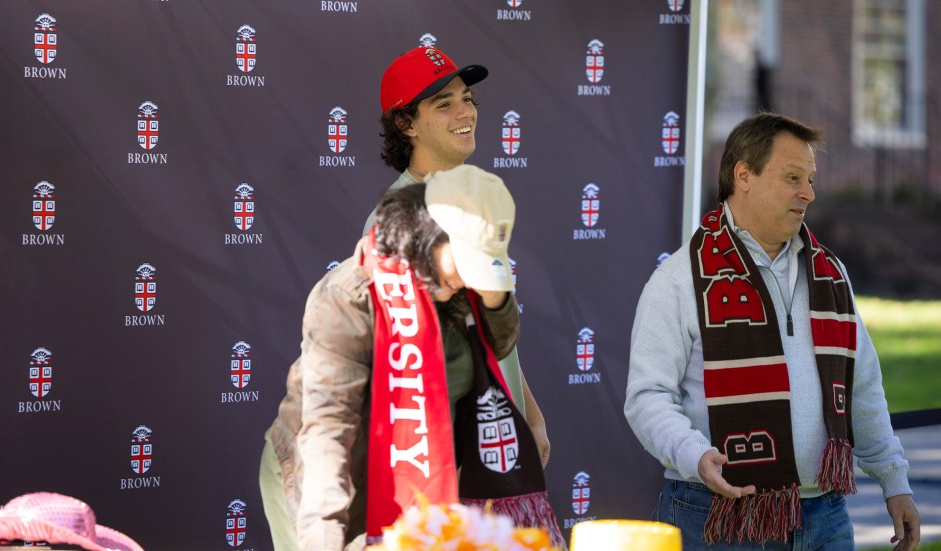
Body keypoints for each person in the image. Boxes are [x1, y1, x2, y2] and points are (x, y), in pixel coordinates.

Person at [624, 113, 920, 550]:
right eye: (793, 177)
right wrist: (694, 454)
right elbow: (648, 397)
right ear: (744, 175)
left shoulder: (830, 275)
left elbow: (862, 387)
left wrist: (896, 481)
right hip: (716, 516)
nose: (809, 193)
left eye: (811, 179)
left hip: (824, 517)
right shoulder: (681, 278)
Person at [259, 165, 564, 551]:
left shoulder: (464, 289)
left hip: (418, 475)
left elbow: (499, 344)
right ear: (428, 237)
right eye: (467, 262)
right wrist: (324, 540)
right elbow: (328, 432)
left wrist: (494, 294)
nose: (471, 278)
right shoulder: (350, 297)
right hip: (329, 479)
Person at [366, 46, 551, 465]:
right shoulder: (397, 221)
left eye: (467, 98)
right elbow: (408, 368)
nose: (464, 112)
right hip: (448, 457)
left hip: (498, 435)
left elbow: (485, 332)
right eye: (443, 104)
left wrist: (530, 415)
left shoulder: (468, 202)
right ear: (405, 123)